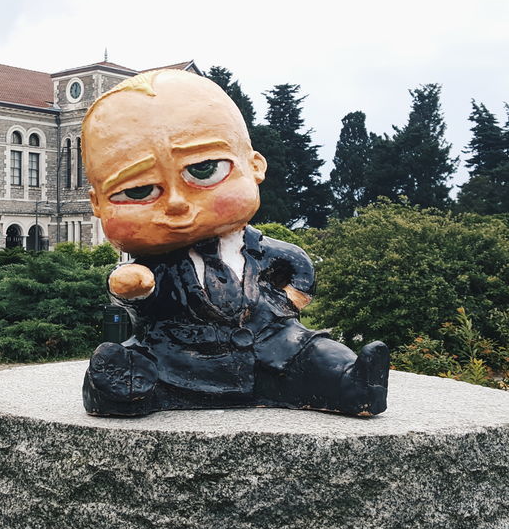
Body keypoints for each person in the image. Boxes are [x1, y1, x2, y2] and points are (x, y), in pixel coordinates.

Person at [80, 69, 389, 417]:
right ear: (97, 204)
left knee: (319, 355)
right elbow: (140, 298)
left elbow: (299, 270)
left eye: (203, 171)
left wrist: (284, 304)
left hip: (274, 351)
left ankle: (356, 385)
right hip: (177, 358)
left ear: (254, 165)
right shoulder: (155, 266)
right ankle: (119, 389)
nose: (178, 203)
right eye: (139, 191)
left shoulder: (268, 251)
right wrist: (133, 288)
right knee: (135, 373)